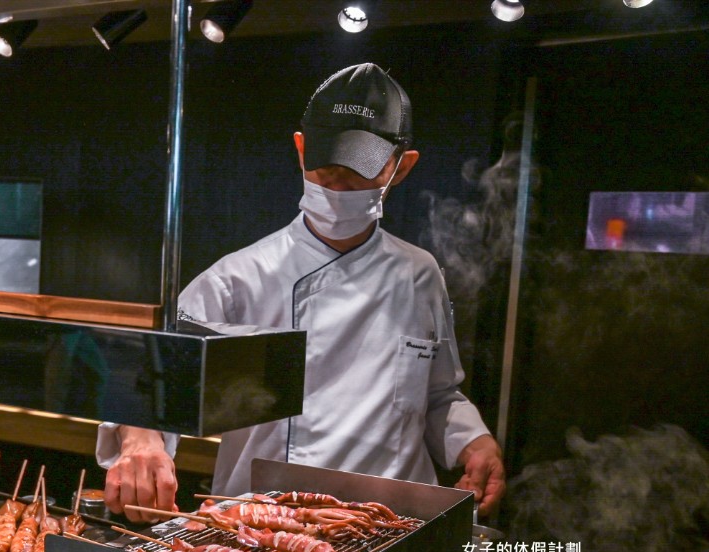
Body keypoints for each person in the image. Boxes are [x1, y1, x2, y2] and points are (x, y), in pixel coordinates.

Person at [99, 63, 505, 521]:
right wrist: (140, 440)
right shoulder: (237, 280)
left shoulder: (419, 274)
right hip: (260, 531)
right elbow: (150, 382)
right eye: (324, 163)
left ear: (401, 168)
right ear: (299, 149)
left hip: (389, 526)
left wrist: (473, 441)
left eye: (357, 169)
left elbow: (436, 397)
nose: (336, 181)